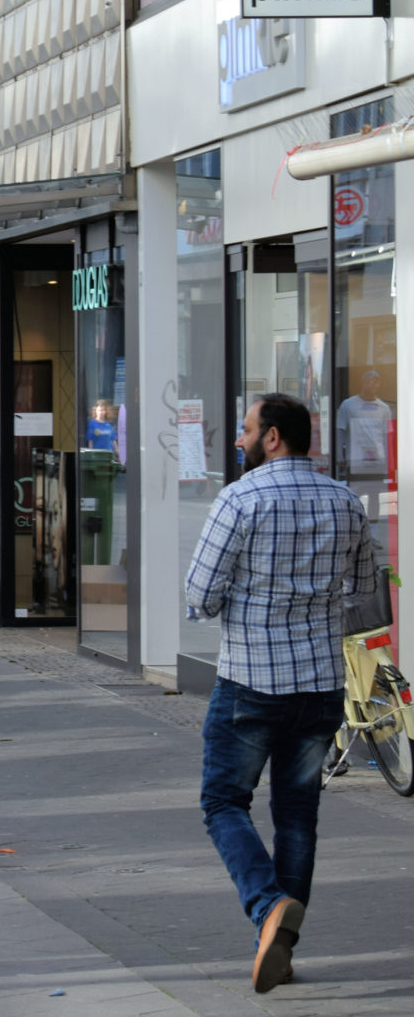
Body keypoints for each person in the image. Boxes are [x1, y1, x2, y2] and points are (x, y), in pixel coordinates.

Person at [185, 393, 376, 994]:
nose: (238, 439)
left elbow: (200, 596)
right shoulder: (346, 501)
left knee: (223, 802)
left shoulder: (240, 498)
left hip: (251, 682)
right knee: (298, 816)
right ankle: (281, 951)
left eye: (244, 429)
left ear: (272, 437)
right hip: (320, 684)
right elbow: (366, 591)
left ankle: (268, 906)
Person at [335, 369, 393, 477]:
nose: (372, 385)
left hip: (378, 462)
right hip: (354, 461)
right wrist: (339, 456)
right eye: (369, 381)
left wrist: (390, 462)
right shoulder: (348, 405)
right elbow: (340, 431)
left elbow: (387, 437)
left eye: (376, 382)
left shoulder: (384, 408)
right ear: (363, 383)